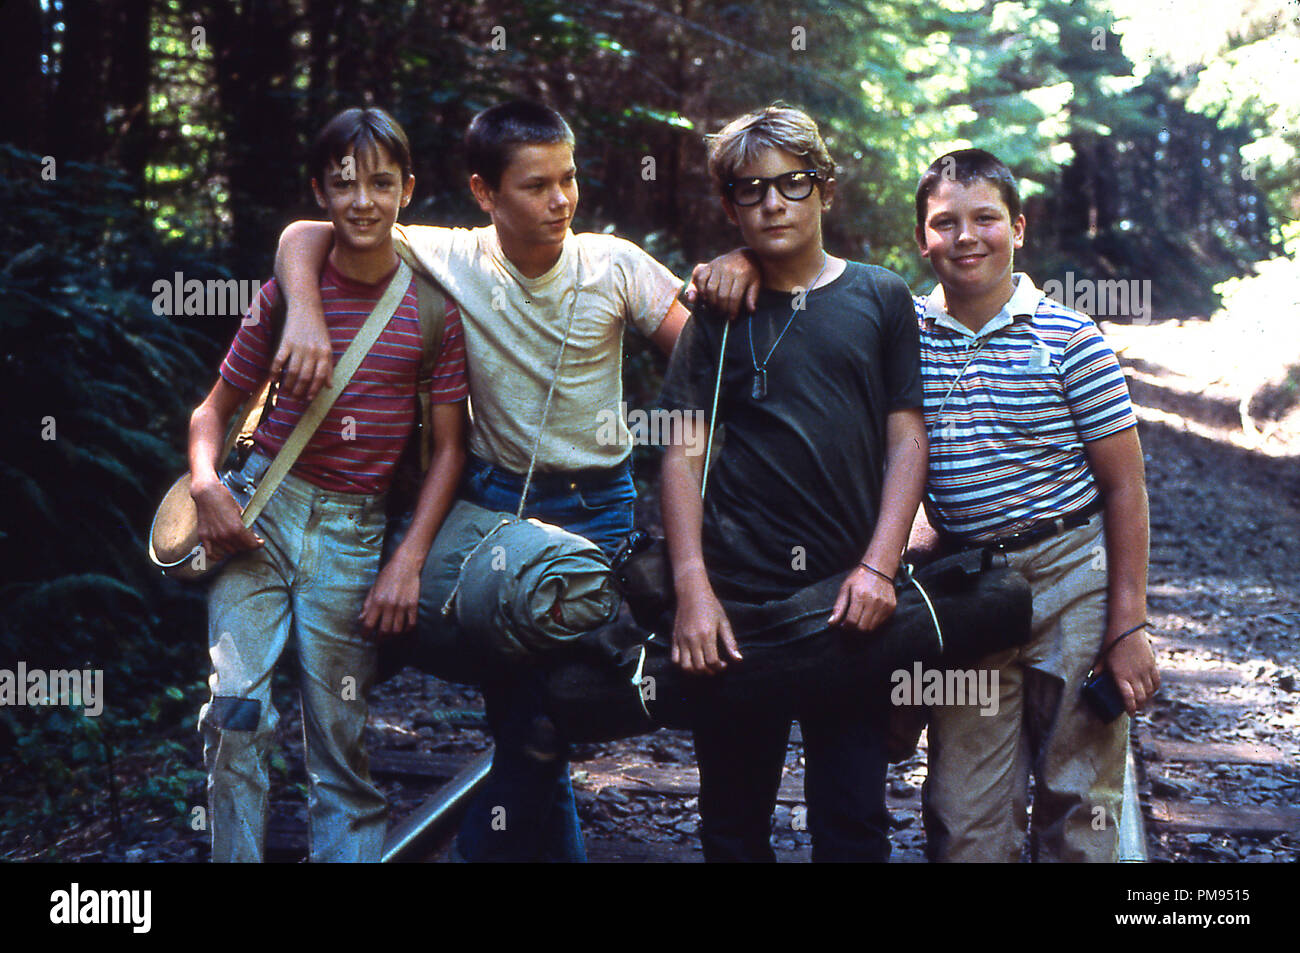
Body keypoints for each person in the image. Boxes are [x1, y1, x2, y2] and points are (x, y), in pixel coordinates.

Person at [271, 100, 688, 862]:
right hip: (497, 511)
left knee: (550, 721)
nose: (561, 200)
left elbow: (702, 357)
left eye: (568, 179)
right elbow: (308, 232)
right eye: (535, 186)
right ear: (484, 192)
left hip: (599, 512)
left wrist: (728, 278)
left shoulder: (614, 264)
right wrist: (302, 310)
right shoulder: (454, 256)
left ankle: (474, 847)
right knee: (525, 724)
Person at [191, 106, 469, 862]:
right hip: (261, 515)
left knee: (341, 745)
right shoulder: (292, 290)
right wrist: (207, 482)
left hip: (353, 534)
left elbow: (449, 449)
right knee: (234, 713)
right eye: (344, 184)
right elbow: (211, 411)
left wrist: (408, 557)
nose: (363, 201)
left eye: (381, 183)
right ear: (320, 191)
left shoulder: (435, 307)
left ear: (407, 190)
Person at [657, 105, 928, 862]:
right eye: (750, 190)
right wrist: (693, 589)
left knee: (851, 821)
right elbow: (680, 454)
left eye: (792, 183)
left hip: (850, 604)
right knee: (734, 824)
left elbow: (907, 435)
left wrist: (881, 564)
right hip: (736, 603)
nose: (773, 203)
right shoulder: (716, 311)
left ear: (825, 191)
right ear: (729, 204)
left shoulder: (879, 296)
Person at [908, 148, 1158, 862]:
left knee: (1080, 802)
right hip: (968, 591)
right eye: (944, 222)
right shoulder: (906, 340)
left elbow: (1125, 486)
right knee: (963, 818)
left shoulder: (1072, 339)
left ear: (1017, 227)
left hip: (1073, 576)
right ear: (921, 240)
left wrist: (1127, 623)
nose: (966, 236)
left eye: (985, 217)